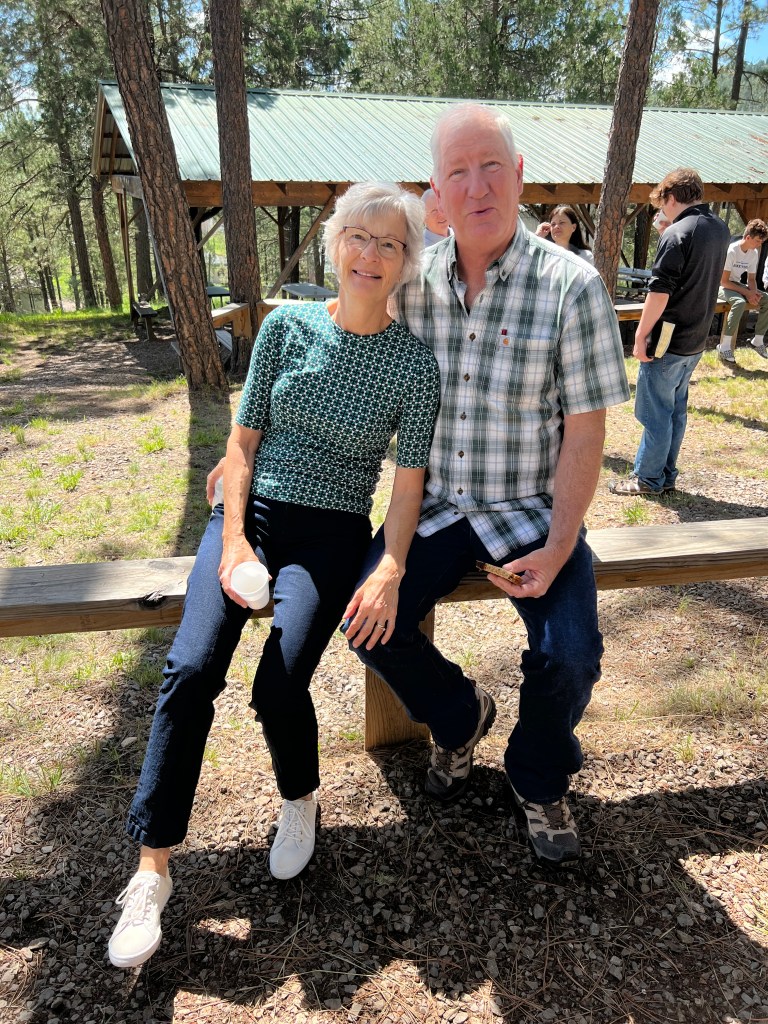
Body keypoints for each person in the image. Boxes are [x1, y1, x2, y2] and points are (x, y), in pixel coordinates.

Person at [107, 182, 441, 970]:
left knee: (279, 684)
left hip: (331, 533)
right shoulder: (286, 328)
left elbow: (406, 487)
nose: (370, 254)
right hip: (248, 516)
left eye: (389, 244)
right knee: (191, 669)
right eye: (358, 236)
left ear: (405, 263)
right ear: (335, 244)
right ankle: (152, 871)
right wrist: (231, 544)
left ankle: (299, 799)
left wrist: (392, 564)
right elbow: (241, 443)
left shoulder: (414, 365)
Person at [345, 104, 629, 865]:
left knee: (571, 654)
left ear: (520, 175)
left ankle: (538, 776)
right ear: (437, 191)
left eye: (491, 167)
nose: (477, 187)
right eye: (458, 172)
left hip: (530, 509)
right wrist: (248, 449)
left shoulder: (572, 286)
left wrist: (561, 544)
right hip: (435, 507)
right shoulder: (411, 283)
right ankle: (461, 715)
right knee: (366, 622)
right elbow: (343, 334)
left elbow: (587, 431)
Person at [610, 168, 730, 497]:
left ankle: (647, 478)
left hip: (667, 337)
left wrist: (640, 335)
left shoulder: (677, 233)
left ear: (672, 197)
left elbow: (659, 292)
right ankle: (665, 474)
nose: (662, 210)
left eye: (663, 203)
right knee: (675, 410)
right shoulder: (719, 228)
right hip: (697, 336)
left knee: (654, 413)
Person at [715, 218, 768, 364]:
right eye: (757, 241)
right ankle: (724, 346)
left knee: (766, 299)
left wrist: (754, 293)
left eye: (761, 241)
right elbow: (724, 281)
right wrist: (747, 293)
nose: (760, 244)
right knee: (739, 303)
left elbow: (751, 279)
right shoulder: (732, 250)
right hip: (719, 286)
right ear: (748, 237)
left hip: (736, 284)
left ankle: (758, 340)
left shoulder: (754, 253)